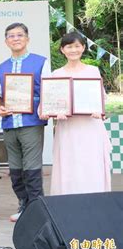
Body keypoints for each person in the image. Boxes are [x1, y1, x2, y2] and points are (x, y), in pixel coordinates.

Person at [40, 32, 111, 195]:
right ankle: (68, 203)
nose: (73, 50)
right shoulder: (56, 74)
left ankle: (95, 201)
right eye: (69, 46)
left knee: (91, 165)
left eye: (77, 46)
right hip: (68, 128)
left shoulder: (93, 71)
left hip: (91, 128)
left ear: (83, 48)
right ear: (62, 50)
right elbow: (50, 102)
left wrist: (100, 111)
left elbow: (101, 100)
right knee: (69, 165)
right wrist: (55, 112)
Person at [0, 22, 50, 222]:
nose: (15, 38)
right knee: (15, 171)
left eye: (19, 35)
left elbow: (49, 91)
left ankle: (38, 210)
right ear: (6, 41)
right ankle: (24, 205)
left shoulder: (41, 62)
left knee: (32, 168)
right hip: (9, 124)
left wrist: (42, 105)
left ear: (27, 38)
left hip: (31, 122)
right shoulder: (1, 68)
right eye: (11, 36)